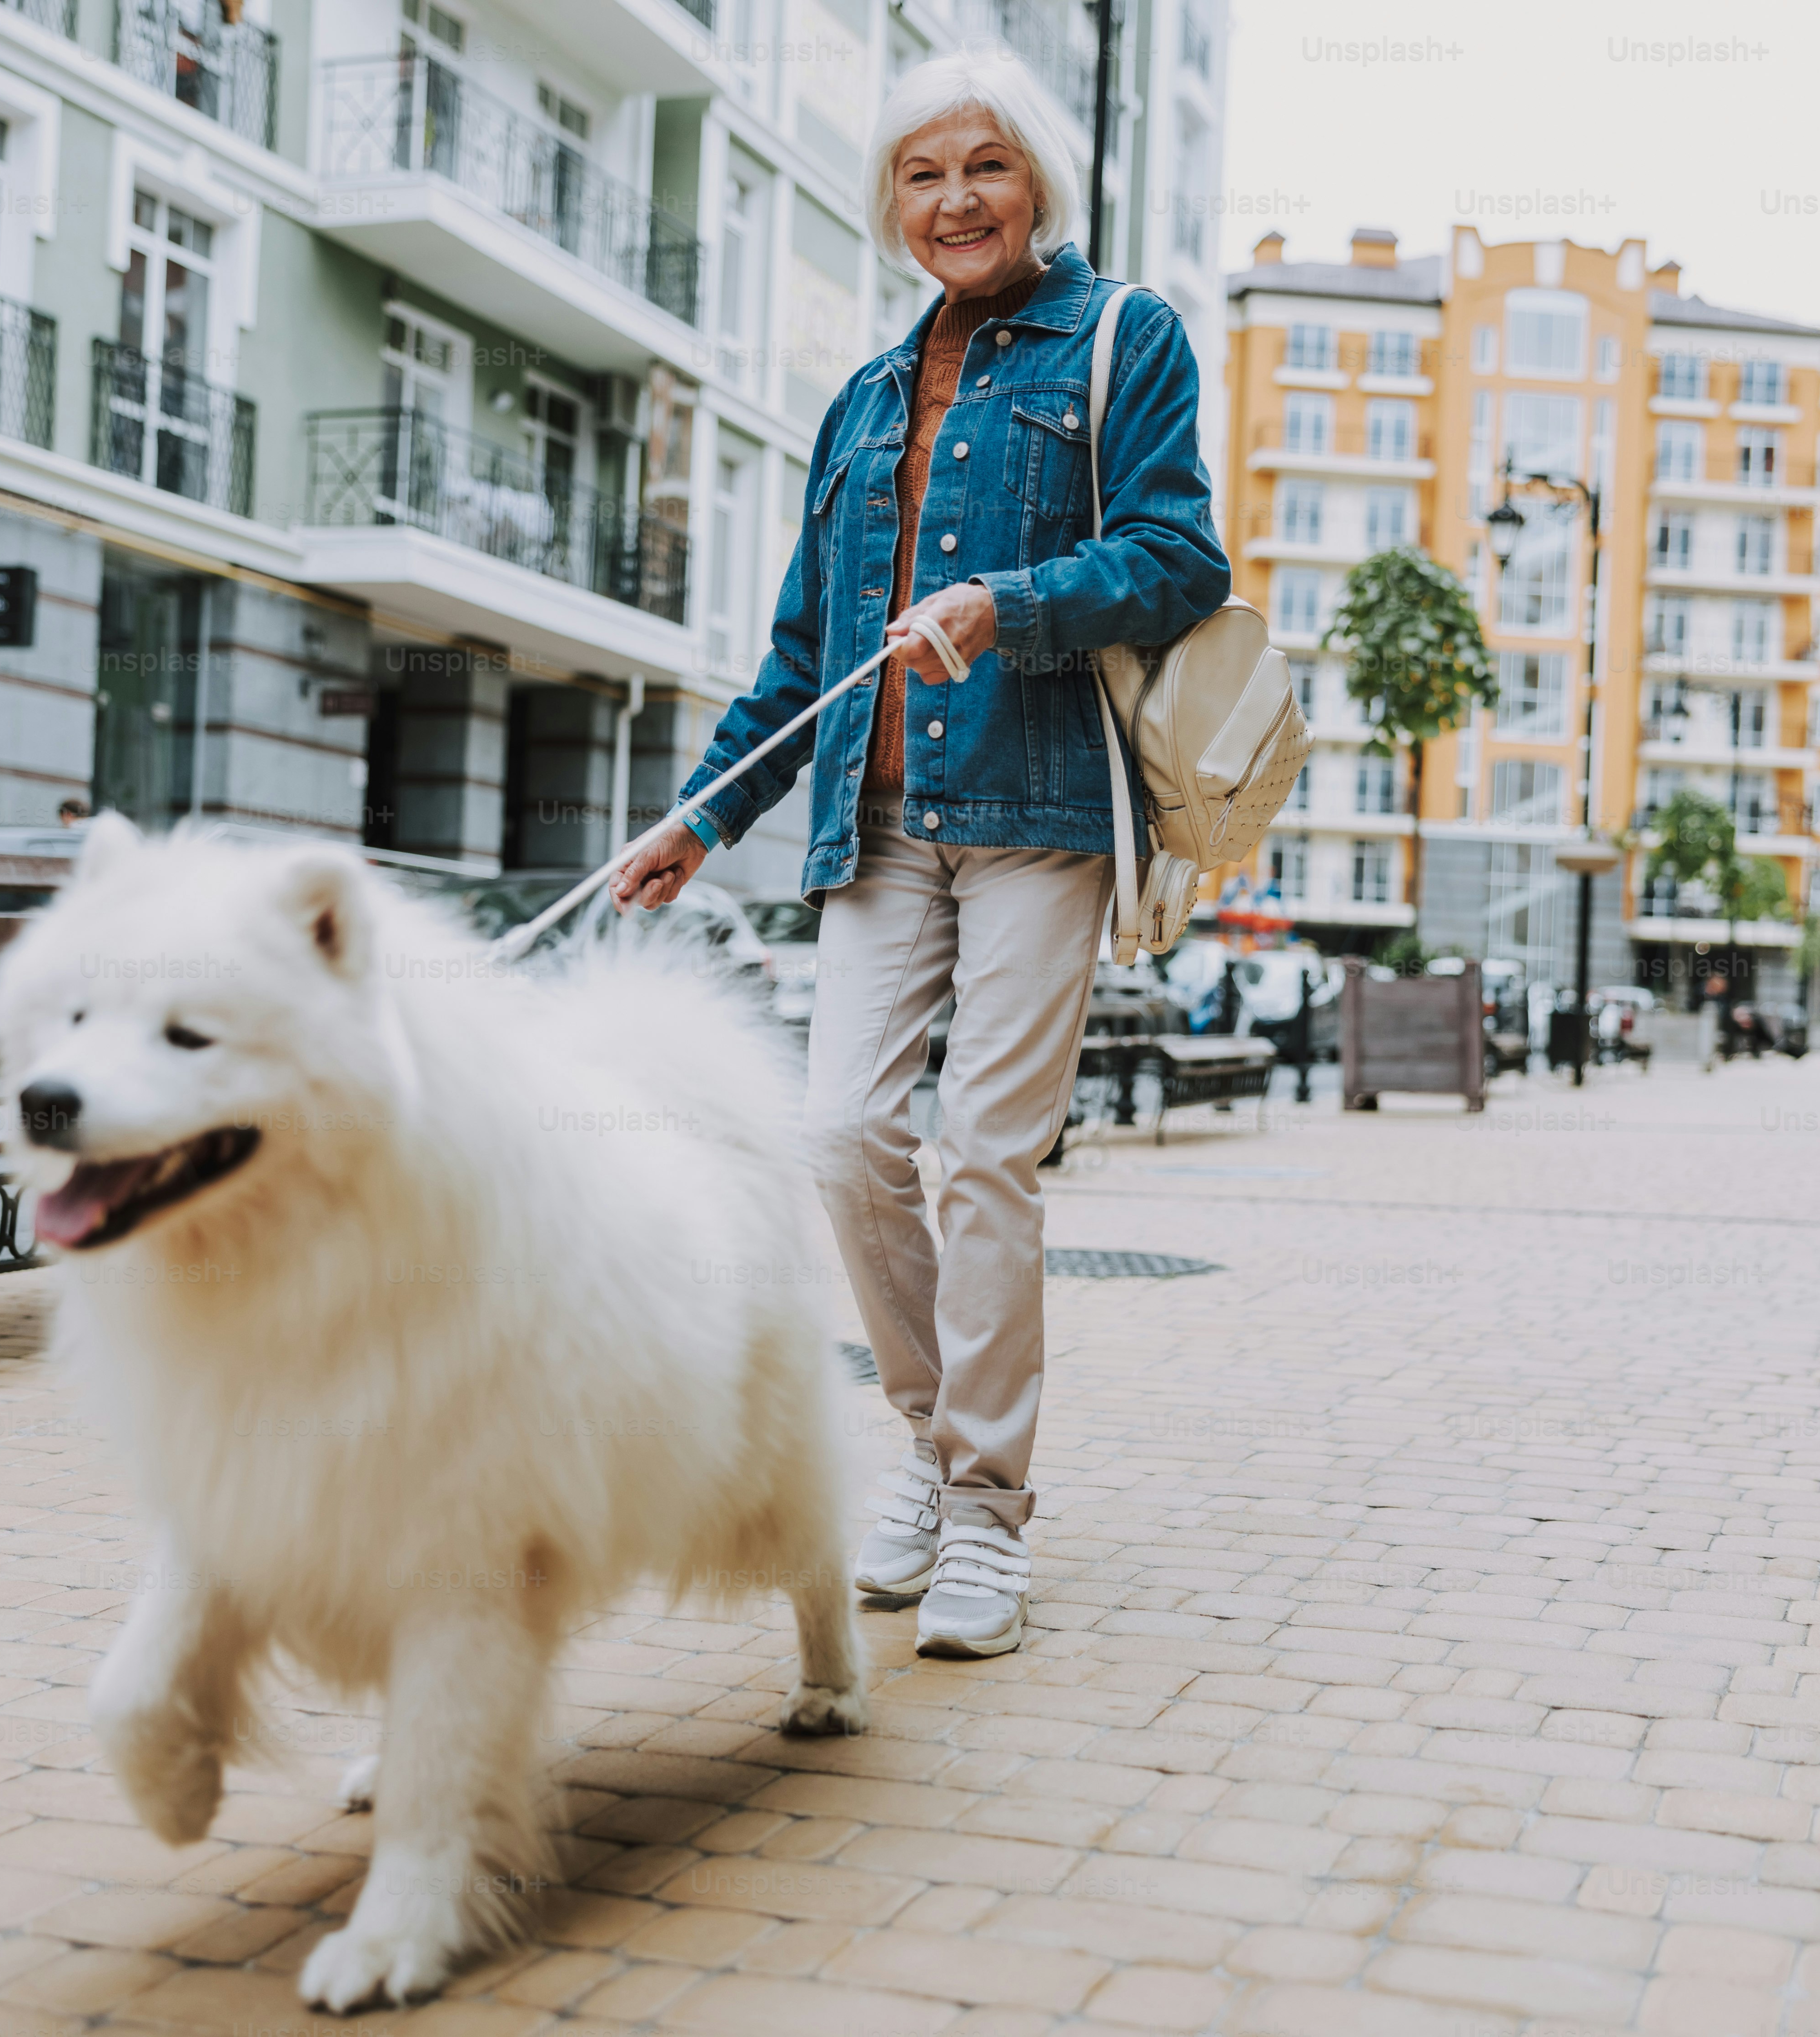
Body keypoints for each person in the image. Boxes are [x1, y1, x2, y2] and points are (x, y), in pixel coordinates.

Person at [608, 50, 1229, 1657]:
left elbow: (1177, 556)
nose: (953, 202)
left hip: (1037, 815)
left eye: (986, 170)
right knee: (843, 1138)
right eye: (921, 176)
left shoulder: (1120, 339)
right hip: (869, 826)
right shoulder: (867, 396)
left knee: (986, 1157)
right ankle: (931, 1451)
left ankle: (990, 1514)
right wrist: (702, 812)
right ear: (892, 203)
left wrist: (1007, 608)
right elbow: (809, 648)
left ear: (1040, 187)